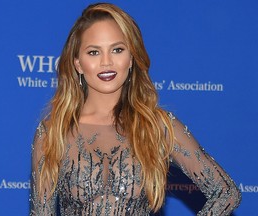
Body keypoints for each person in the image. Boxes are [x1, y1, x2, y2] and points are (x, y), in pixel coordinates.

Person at [30, 3, 241, 215]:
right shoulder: (52, 132)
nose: (106, 62)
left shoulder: (157, 126)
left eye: (117, 50)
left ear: (131, 58)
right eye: (94, 52)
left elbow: (225, 192)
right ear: (78, 64)